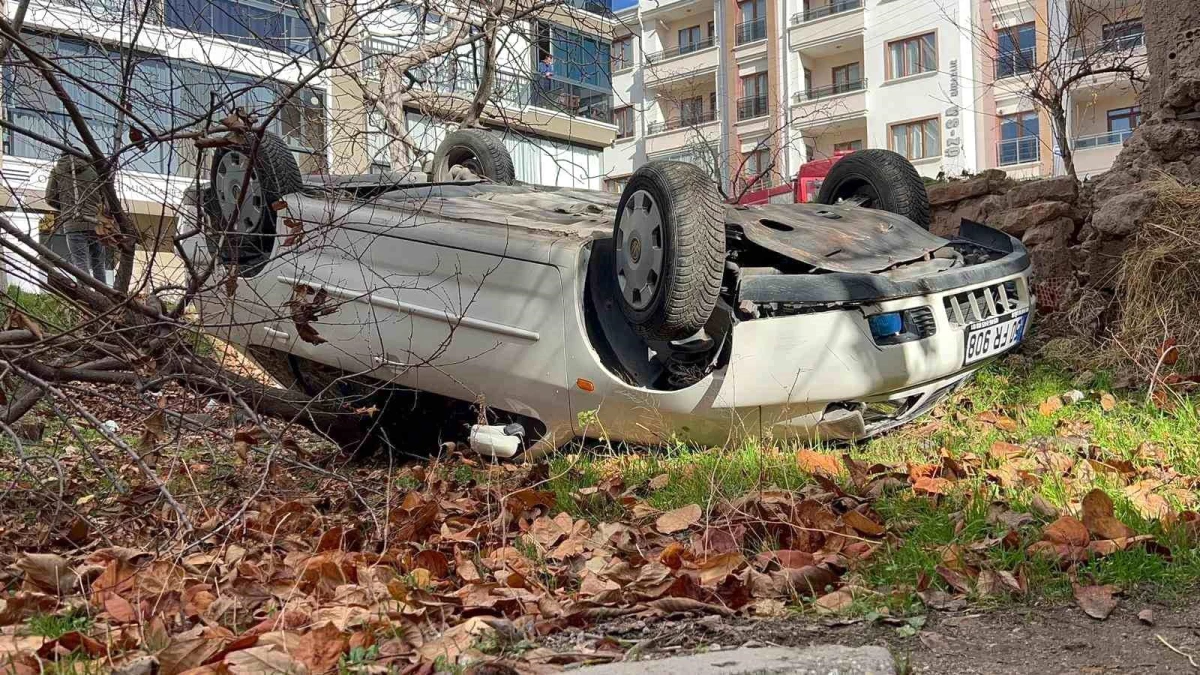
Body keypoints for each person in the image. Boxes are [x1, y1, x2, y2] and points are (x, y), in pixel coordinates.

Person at [44, 153, 107, 284]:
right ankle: (105, 297)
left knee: (80, 263)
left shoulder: (57, 170)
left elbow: (49, 198)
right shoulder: (93, 169)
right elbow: (105, 195)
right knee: (98, 263)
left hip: (73, 222)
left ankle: (86, 297)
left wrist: (67, 208)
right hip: (95, 223)